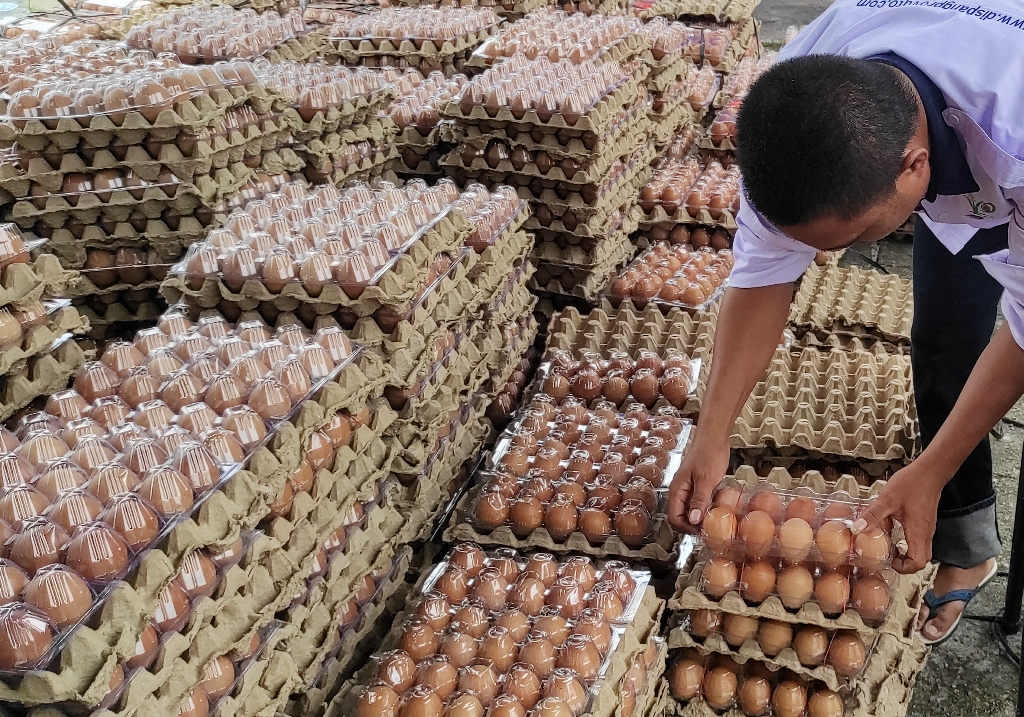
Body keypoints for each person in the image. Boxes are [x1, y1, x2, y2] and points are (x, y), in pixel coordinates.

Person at [667, 0, 1024, 645]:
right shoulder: (798, 102)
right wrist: (712, 428)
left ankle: (970, 539)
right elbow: (762, 274)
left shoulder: (1015, 137)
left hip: (1001, 125)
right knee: (942, 342)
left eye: (859, 235)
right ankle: (970, 530)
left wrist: (932, 470)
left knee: (973, 334)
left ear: (916, 167)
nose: (840, 258)